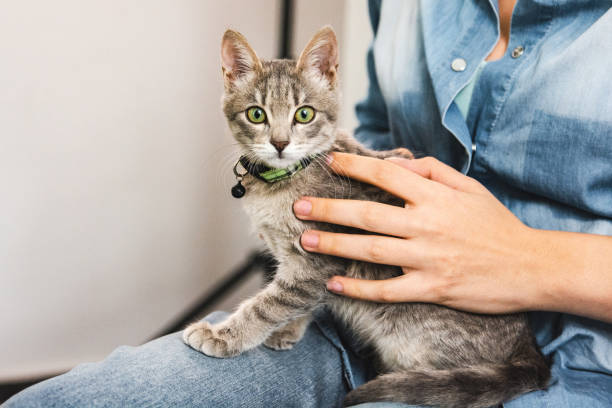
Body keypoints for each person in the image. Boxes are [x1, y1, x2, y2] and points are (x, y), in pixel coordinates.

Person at [6, 0, 612, 407]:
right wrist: (378, 160)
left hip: (574, 357)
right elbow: (375, 117)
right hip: (346, 315)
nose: (276, 137)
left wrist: (527, 259)